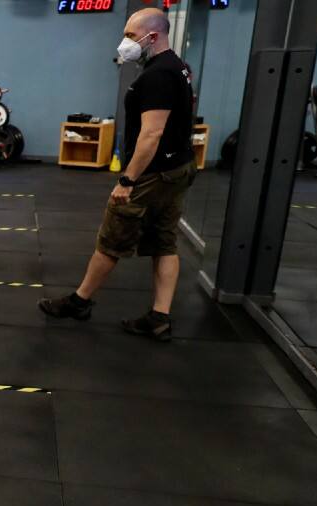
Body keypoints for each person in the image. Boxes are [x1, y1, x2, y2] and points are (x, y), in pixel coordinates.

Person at [38, 8, 195, 342]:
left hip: (152, 174)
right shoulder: (178, 67)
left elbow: (151, 134)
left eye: (130, 35)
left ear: (153, 37)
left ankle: (79, 302)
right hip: (177, 168)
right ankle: (160, 317)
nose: (125, 42)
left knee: (112, 239)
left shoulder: (157, 75)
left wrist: (127, 180)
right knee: (165, 243)